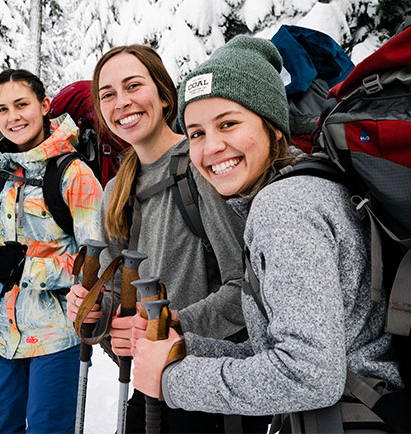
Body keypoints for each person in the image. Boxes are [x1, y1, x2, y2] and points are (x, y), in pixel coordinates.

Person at [130, 36, 403, 430]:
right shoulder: (307, 188)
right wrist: (187, 348)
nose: (211, 148)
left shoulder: (285, 206)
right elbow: (284, 351)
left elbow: (308, 374)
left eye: (228, 123)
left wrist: (173, 382)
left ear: (273, 125)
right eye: (196, 133)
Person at [66, 44, 265, 433]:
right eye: (108, 95)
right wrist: (94, 311)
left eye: (133, 86)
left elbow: (246, 288)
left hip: (213, 389)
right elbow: (114, 298)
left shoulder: (202, 165)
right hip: (152, 387)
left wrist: (172, 327)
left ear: (163, 94)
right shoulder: (116, 190)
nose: (122, 102)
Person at [0, 69, 103, 433]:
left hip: (56, 334)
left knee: (47, 428)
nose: (14, 117)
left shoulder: (74, 175)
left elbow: (98, 261)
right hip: (3, 335)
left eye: (22, 104)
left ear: (43, 106)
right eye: (3, 109)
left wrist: (29, 269)